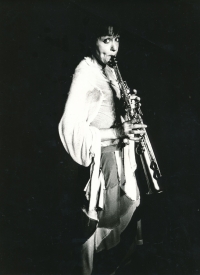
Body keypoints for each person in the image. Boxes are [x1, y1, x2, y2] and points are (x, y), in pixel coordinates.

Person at [58, 22, 147, 275]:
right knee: (96, 227)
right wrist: (118, 131)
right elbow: (70, 128)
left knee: (124, 221)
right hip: (101, 161)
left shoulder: (111, 72)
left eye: (116, 39)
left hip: (121, 156)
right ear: (92, 41)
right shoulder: (84, 71)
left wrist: (130, 109)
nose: (114, 46)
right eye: (106, 39)